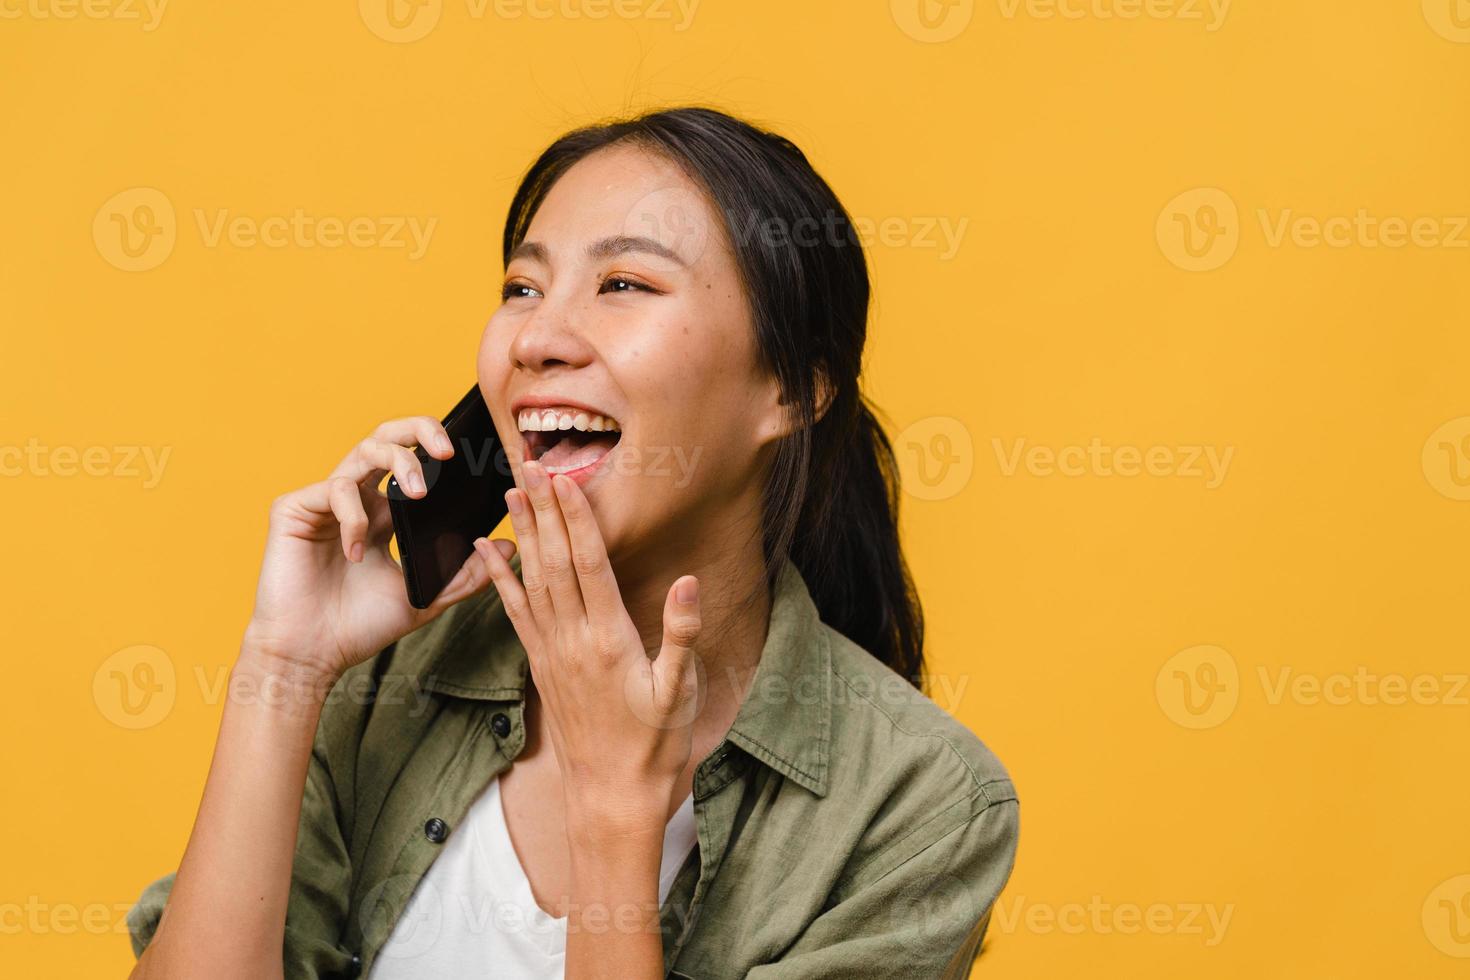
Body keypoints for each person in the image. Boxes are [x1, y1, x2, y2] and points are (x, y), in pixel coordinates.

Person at [125, 106, 1020, 979]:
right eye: (522, 288)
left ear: (790, 390)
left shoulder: (926, 811)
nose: (540, 339)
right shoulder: (389, 680)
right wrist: (286, 667)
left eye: (624, 283)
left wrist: (614, 811)